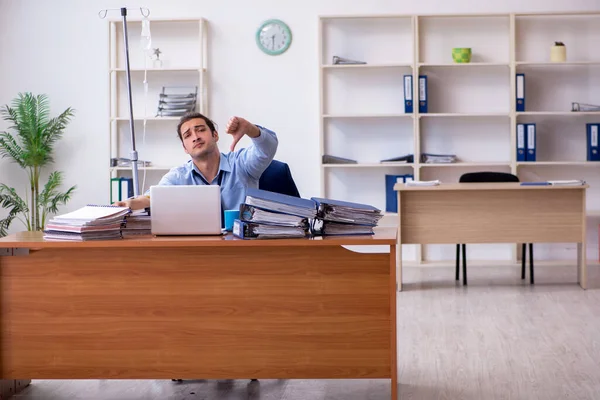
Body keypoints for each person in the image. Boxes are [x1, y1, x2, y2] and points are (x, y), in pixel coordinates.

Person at [114, 112, 278, 210]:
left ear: (215, 135)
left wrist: (250, 128)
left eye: (200, 130)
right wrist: (128, 204)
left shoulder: (241, 164)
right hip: (198, 249)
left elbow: (267, 148)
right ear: (185, 147)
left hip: (242, 248)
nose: (196, 137)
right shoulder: (179, 176)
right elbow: (153, 197)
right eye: (188, 135)